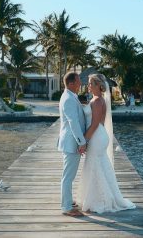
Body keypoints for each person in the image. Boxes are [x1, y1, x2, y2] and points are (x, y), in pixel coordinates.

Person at [77, 74, 136, 213]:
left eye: (91, 83)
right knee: (96, 165)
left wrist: (83, 140)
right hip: (98, 135)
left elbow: (95, 123)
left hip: (97, 136)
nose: (88, 86)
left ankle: (100, 200)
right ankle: (95, 198)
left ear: (99, 85)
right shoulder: (96, 99)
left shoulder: (97, 101)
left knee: (95, 165)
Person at [58, 72, 87, 217]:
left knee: (69, 175)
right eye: (78, 81)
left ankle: (68, 201)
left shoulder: (71, 96)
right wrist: (82, 142)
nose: (80, 83)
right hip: (71, 142)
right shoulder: (68, 99)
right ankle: (67, 207)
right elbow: (73, 123)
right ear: (70, 84)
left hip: (72, 141)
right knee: (68, 176)